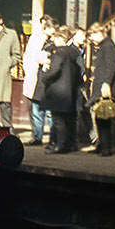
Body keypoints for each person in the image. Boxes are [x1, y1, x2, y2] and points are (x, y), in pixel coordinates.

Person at [37, 26, 82, 154]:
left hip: (58, 91)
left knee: (58, 119)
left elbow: (54, 71)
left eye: (55, 38)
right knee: (69, 119)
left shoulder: (60, 53)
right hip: (70, 90)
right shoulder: (73, 53)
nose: (54, 41)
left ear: (60, 39)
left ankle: (60, 145)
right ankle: (71, 143)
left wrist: (45, 75)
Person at [83, 25, 115, 153]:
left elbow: (111, 66)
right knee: (100, 117)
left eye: (92, 35)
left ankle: (105, 148)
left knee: (103, 118)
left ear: (99, 32)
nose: (91, 39)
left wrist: (106, 83)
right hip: (103, 85)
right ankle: (102, 145)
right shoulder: (105, 46)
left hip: (105, 87)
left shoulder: (107, 46)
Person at [21, 15, 56, 145]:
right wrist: (28, 70)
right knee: (36, 110)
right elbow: (31, 56)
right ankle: (37, 136)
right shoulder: (35, 39)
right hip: (35, 77)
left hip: (48, 79)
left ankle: (53, 137)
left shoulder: (54, 41)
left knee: (49, 112)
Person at [91, 82, 115, 157]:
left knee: (103, 124)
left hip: (104, 96)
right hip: (104, 94)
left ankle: (105, 148)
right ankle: (103, 146)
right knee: (103, 124)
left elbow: (105, 77)